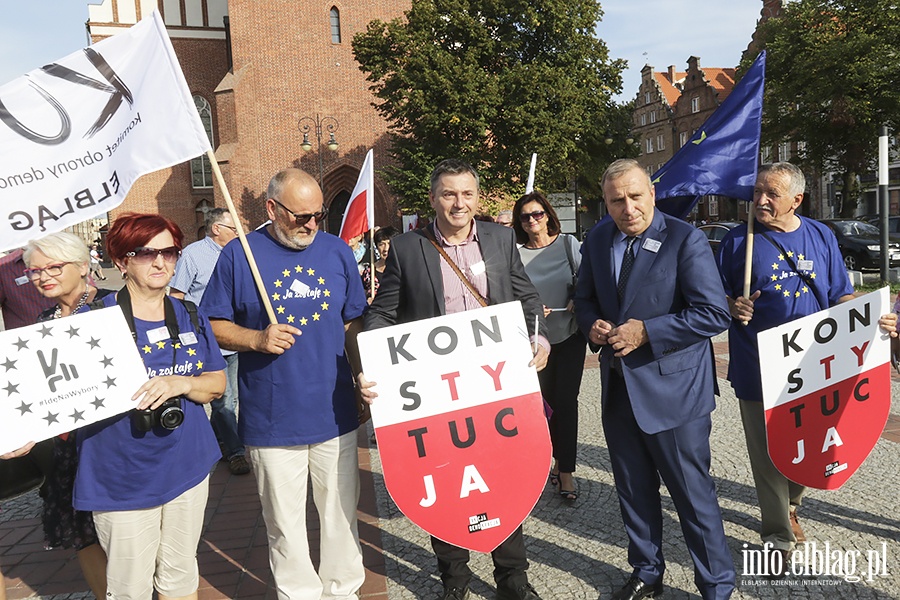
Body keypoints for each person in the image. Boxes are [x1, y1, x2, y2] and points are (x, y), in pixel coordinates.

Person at [361, 159, 549, 600]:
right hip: (437, 393)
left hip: (495, 385)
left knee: (502, 478)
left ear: (477, 198)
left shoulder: (502, 239)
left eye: (466, 194)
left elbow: (527, 299)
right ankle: (455, 580)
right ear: (432, 199)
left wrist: (539, 341)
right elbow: (382, 313)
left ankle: (513, 580)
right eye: (448, 194)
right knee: (447, 483)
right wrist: (372, 359)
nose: (458, 203)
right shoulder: (409, 247)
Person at [717, 162, 897, 575]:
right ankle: (777, 535)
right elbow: (711, 296)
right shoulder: (737, 241)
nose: (760, 200)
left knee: (809, 445)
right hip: (757, 363)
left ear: (797, 199)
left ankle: (793, 504)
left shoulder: (820, 235)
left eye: (772, 194)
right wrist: (731, 305)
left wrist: (875, 314)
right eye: (758, 191)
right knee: (766, 455)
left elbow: (840, 295)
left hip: (814, 365)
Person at [202, 168, 367, 600]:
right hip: (272, 419)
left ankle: (343, 591)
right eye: (300, 216)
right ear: (272, 209)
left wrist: (362, 372)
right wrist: (255, 338)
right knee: (285, 523)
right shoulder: (240, 255)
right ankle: (298, 593)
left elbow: (353, 320)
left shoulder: (336, 252)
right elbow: (212, 324)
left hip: (335, 411)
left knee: (339, 514)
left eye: (319, 214)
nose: (311, 224)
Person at [574, 159, 735, 600]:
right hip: (620, 389)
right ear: (605, 203)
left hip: (675, 394)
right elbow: (583, 298)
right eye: (616, 200)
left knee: (692, 496)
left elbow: (713, 313)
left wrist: (648, 330)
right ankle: (646, 572)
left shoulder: (686, 239)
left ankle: (716, 585)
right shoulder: (598, 239)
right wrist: (592, 325)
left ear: (652, 193)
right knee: (633, 489)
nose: (627, 208)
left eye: (635, 196)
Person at [73, 213, 226, 600]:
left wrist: (183, 383)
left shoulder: (189, 313)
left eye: (170, 252)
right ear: (122, 261)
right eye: (145, 253)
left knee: (180, 578)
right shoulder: (92, 321)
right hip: (121, 479)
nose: (161, 263)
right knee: (129, 590)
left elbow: (217, 384)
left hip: (187, 465)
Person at [21, 232, 112, 599]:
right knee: (83, 536)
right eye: (34, 271)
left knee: (124, 537)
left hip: (113, 443)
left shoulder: (114, 307)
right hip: (67, 450)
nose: (43, 276)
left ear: (82, 265)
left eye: (54, 267)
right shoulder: (43, 321)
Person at [512, 191, 585, 501]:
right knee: (540, 407)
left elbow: (588, 281)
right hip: (532, 342)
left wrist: (576, 299)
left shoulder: (568, 244)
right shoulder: (514, 254)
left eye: (538, 214)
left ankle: (565, 470)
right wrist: (527, 308)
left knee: (566, 403)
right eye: (526, 216)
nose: (532, 221)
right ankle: (545, 464)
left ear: (548, 214)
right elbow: (508, 292)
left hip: (568, 335)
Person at [169, 208, 250, 476]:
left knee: (231, 398)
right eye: (233, 228)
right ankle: (236, 451)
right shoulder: (194, 254)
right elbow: (177, 295)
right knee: (223, 400)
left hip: (235, 336)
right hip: (206, 340)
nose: (238, 233)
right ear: (216, 229)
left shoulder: (238, 254)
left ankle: (220, 442)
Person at [0, 248, 55, 330]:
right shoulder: (3, 267)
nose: (44, 278)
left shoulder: (63, 257)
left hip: (70, 330)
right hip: (26, 338)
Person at [361, 226, 399, 302]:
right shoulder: (369, 271)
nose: (386, 249)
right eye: (381, 244)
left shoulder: (404, 268)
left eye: (389, 244)